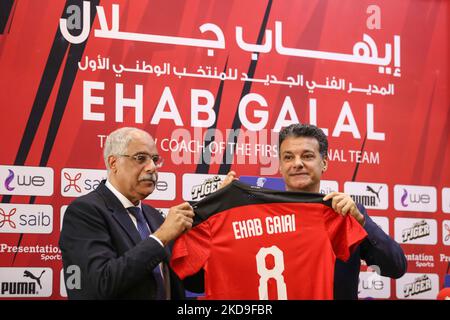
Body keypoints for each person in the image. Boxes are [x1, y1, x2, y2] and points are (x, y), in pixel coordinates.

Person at [222, 123, 407, 299]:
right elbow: (197, 284)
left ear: (324, 163)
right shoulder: (255, 217)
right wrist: (223, 216)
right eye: (288, 157)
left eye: (307, 156)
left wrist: (362, 223)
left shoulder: (345, 214)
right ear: (280, 165)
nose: (297, 163)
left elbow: (396, 267)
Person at [59, 127, 194, 299]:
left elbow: (192, 281)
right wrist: (160, 238)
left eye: (154, 159)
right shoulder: (84, 212)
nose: (152, 167)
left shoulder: (153, 216)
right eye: (141, 158)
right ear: (113, 163)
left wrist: (217, 209)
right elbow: (99, 285)